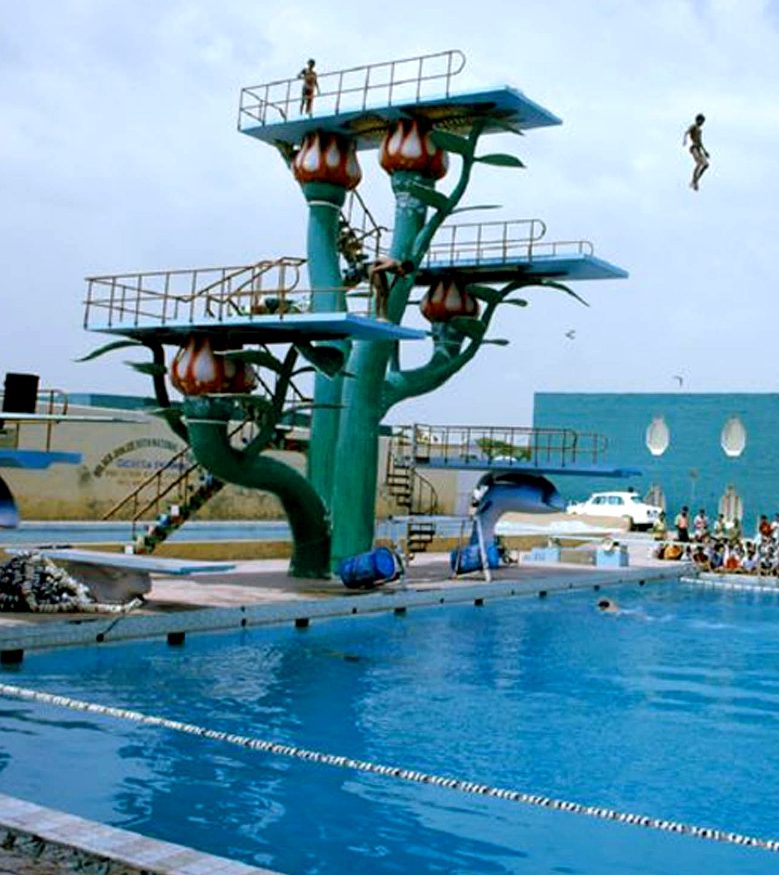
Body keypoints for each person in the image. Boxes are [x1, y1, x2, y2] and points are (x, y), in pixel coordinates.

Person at [368, 256, 414, 320]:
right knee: (379, 291)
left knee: (386, 294)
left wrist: (390, 288)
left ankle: (384, 316)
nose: (402, 274)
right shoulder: (391, 265)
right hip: (373, 268)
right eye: (403, 272)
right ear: (402, 268)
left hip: (381, 271)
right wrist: (370, 285)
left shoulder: (400, 271)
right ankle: (377, 315)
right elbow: (374, 270)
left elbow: (395, 279)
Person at [683, 114, 710, 191]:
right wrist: (685, 140)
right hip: (694, 147)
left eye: (703, 122)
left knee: (706, 165)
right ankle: (694, 181)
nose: (702, 123)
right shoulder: (694, 126)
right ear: (698, 120)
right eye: (701, 121)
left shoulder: (700, 130)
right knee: (699, 163)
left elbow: (700, 142)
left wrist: (705, 151)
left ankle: (696, 180)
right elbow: (686, 132)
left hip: (698, 148)